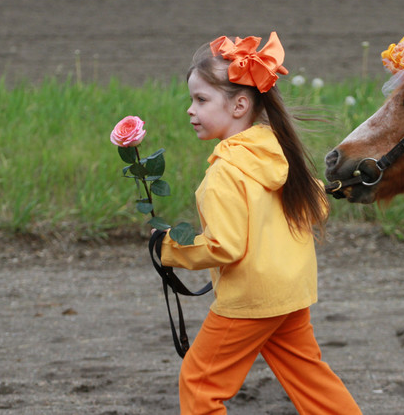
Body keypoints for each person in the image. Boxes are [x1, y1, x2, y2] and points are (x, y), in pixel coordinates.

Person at [153, 31, 361, 415]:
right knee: (311, 380)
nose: (190, 110)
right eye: (191, 100)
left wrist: (169, 248)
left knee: (199, 384)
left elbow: (224, 247)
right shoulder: (279, 152)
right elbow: (316, 206)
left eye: (200, 99)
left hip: (251, 300)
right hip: (291, 293)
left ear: (240, 105)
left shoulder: (224, 173)